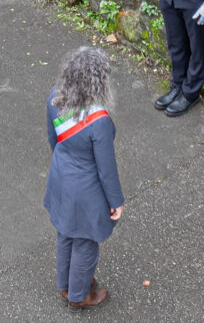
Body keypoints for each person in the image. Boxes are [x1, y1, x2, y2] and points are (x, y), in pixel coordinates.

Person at [44, 46, 124, 310]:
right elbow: (106, 168)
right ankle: (79, 296)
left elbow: (54, 140)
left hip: (60, 178)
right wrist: (116, 200)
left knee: (65, 234)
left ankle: (65, 286)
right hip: (86, 191)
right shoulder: (99, 120)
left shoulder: (54, 98)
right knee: (86, 243)